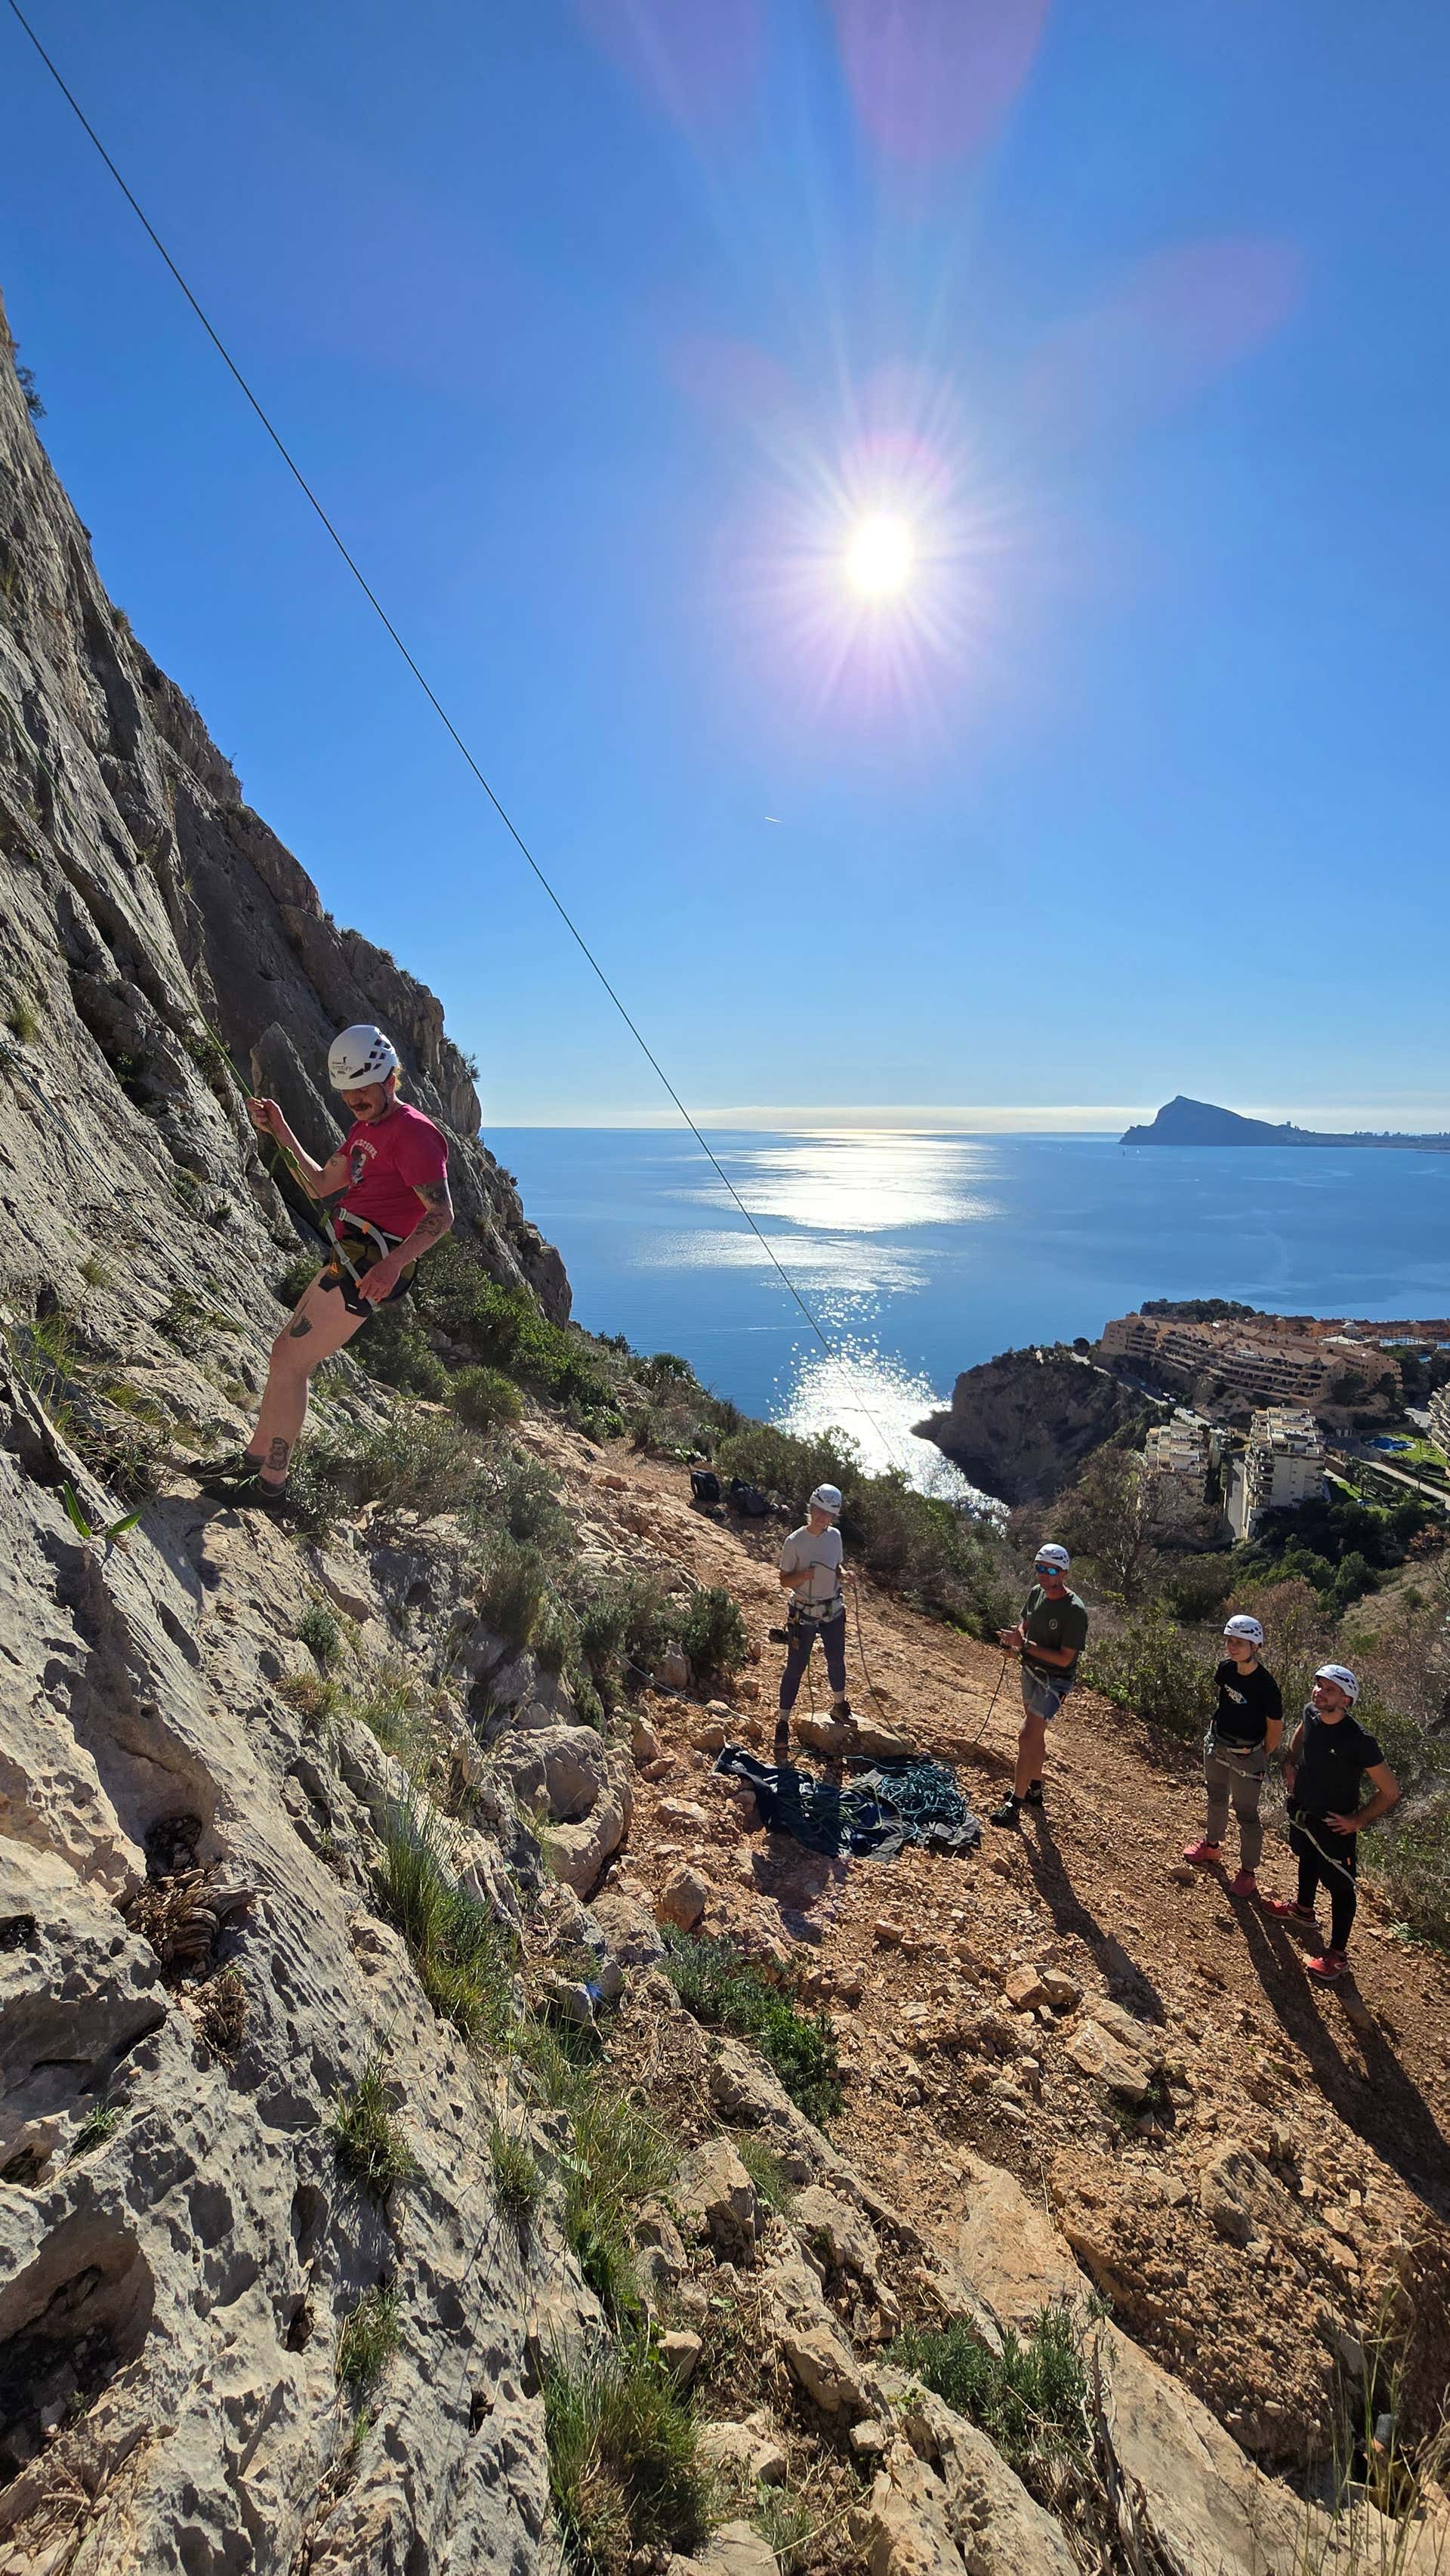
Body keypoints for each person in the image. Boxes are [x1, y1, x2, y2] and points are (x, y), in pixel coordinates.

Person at [197, 1025, 454, 1515]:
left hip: (371, 1266)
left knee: (293, 1363)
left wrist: (394, 1264)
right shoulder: (365, 1130)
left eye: (364, 1089)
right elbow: (318, 1185)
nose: (355, 1100)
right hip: (352, 1257)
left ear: (389, 1080)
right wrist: (279, 1129)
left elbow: (442, 1216)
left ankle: (272, 1484)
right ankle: (254, 1462)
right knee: (283, 1354)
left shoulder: (415, 1134)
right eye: (347, 1093)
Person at [1260, 1664, 1399, 1984]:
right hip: (1305, 1810)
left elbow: (1390, 1791)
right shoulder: (1311, 1713)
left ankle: (1337, 1955)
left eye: (1330, 1689)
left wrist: (1358, 1820)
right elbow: (1301, 1732)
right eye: (1319, 1686)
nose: (1319, 1693)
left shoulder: (1359, 1740)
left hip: (1335, 1824)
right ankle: (1304, 1911)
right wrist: (1290, 1762)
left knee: (1340, 1885)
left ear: (1347, 1700)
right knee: (1307, 1857)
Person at [1181, 1613, 1283, 1898]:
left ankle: (1248, 1872)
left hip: (1246, 1753)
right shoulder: (1225, 1669)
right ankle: (1212, 1847)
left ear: (1255, 1646)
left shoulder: (1267, 1686)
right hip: (1218, 1743)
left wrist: (1261, 1753)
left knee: (1247, 1815)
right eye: (1230, 1640)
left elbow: (1275, 1727)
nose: (1233, 1646)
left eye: (1240, 1642)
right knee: (1215, 1796)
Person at [990, 1544, 1089, 1829]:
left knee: (1026, 1734)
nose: (1044, 1575)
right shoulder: (1036, 1593)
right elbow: (1025, 1625)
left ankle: (1015, 1802)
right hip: (1030, 1670)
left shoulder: (1074, 1611)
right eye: (1039, 1568)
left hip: (1055, 1679)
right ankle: (1035, 1785)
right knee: (1035, 1734)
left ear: (1064, 1573)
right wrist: (1015, 1639)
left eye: (1050, 1570)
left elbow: (1065, 1657)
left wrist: (1025, 1647)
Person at [776, 1484, 854, 1756]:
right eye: (819, 1512)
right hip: (804, 1610)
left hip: (832, 1608)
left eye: (828, 1515)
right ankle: (783, 1721)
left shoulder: (835, 1538)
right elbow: (784, 1580)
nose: (823, 1519)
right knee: (796, 1668)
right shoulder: (794, 1542)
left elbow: (837, 1566)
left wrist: (844, 1575)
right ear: (811, 1509)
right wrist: (802, 1577)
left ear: (834, 1517)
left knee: (836, 1658)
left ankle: (839, 1704)